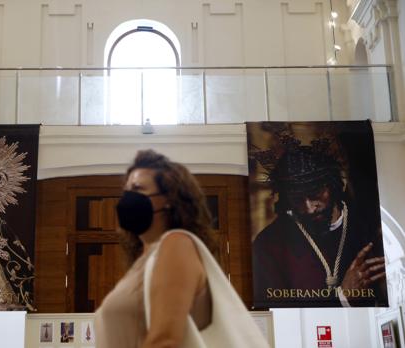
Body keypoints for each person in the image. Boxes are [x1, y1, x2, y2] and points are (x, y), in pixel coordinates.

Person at [94, 149, 269, 348]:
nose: (127, 198)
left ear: (169, 198)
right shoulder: (144, 260)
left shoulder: (176, 245)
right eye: (126, 191)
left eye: (137, 189)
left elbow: (165, 341)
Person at [252, 142, 387, 307]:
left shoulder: (370, 227)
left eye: (315, 193)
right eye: (297, 199)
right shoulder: (268, 245)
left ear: (333, 184)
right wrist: (342, 298)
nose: (309, 208)